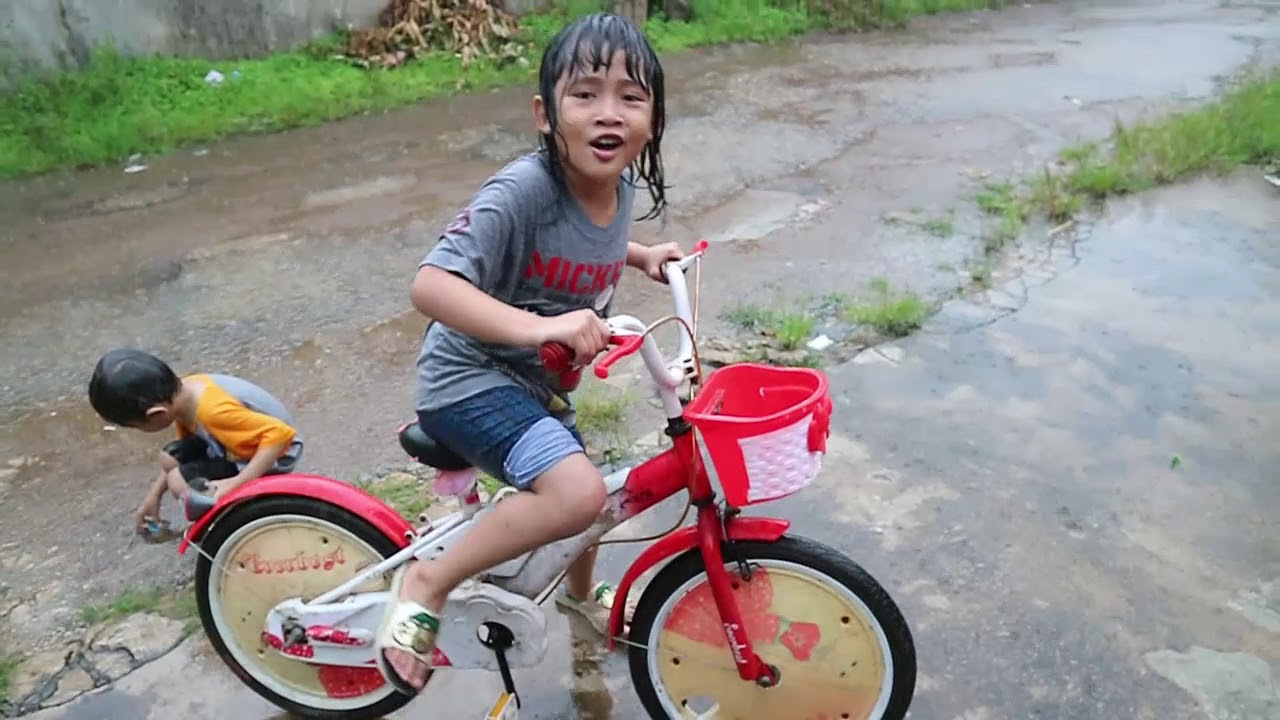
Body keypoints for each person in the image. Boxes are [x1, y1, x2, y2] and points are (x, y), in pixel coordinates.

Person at [376, 11, 683, 695]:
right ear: (546, 114)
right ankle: (428, 581)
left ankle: (577, 596)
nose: (608, 115)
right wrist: (537, 329)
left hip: (534, 388)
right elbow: (430, 285)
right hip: (467, 379)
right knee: (579, 493)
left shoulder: (619, 184)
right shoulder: (524, 191)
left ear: (653, 119)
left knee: (593, 501)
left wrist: (640, 258)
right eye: (585, 95)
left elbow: (588, 245)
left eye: (630, 98)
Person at [87, 348, 304, 535]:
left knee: (179, 481)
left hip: (275, 453)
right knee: (170, 459)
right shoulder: (183, 394)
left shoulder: (212, 412)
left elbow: (280, 434)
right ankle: (217, 502)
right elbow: (188, 450)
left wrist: (237, 482)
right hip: (238, 442)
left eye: (137, 426)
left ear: (156, 414)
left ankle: (225, 518)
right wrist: (154, 496)